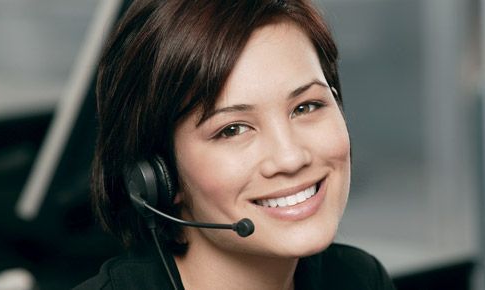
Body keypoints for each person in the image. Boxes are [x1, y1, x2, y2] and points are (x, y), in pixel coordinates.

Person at [75, 0, 395, 289]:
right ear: (159, 173)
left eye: (306, 107)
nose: (290, 157)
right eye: (233, 129)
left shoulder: (359, 279)